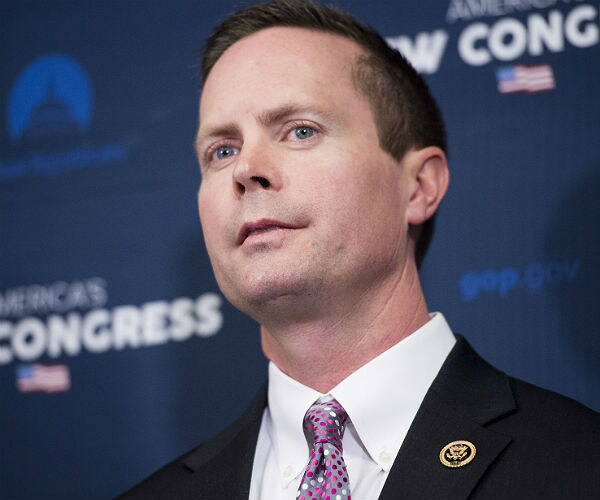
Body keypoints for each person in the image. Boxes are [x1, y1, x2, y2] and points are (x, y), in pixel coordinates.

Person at [119, 1, 600, 499]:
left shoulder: (581, 465)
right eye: (222, 151)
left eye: (301, 131)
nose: (245, 169)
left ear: (418, 186)